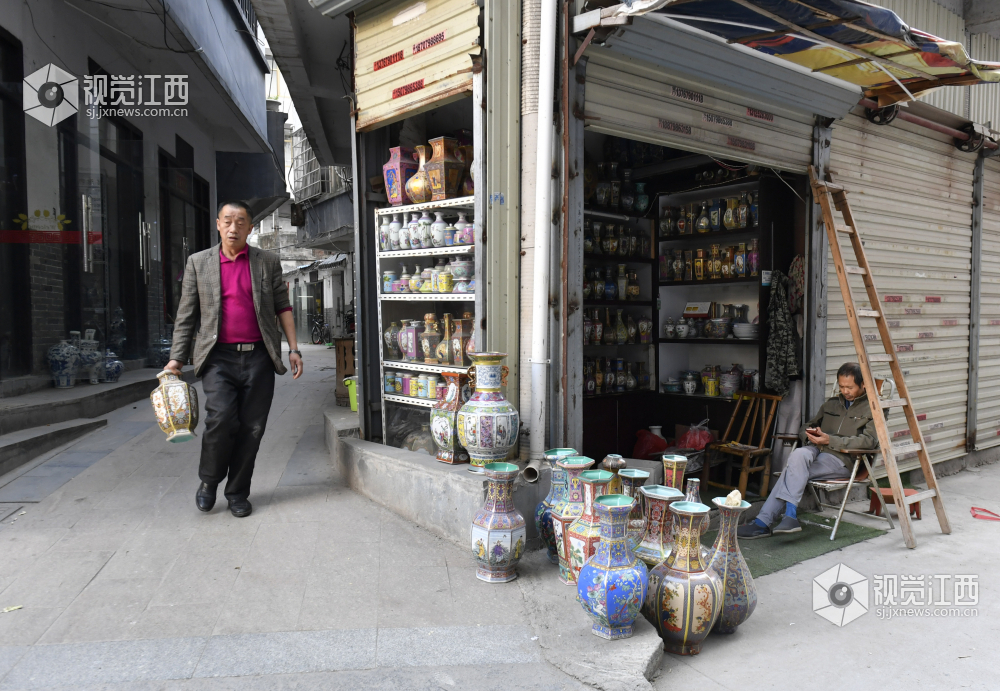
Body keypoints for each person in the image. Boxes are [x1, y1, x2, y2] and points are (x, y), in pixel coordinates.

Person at [164, 201, 303, 517]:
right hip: (218, 359)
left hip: (258, 357)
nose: (234, 226)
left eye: (241, 221)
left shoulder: (266, 262)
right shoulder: (199, 263)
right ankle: (209, 481)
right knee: (222, 419)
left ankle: (238, 492)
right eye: (228, 220)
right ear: (218, 224)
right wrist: (176, 359)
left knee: (252, 428)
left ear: (250, 228)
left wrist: (293, 349)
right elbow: (186, 315)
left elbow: (283, 307)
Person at [737, 362, 878, 539]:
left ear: (863, 384)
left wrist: (830, 439)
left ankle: (764, 522)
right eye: (841, 386)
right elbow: (806, 426)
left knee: (791, 472)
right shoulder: (832, 404)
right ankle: (789, 517)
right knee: (798, 454)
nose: (845, 391)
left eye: (849, 387)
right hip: (817, 449)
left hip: (842, 459)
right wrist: (811, 434)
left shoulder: (873, 408)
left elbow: (869, 441)